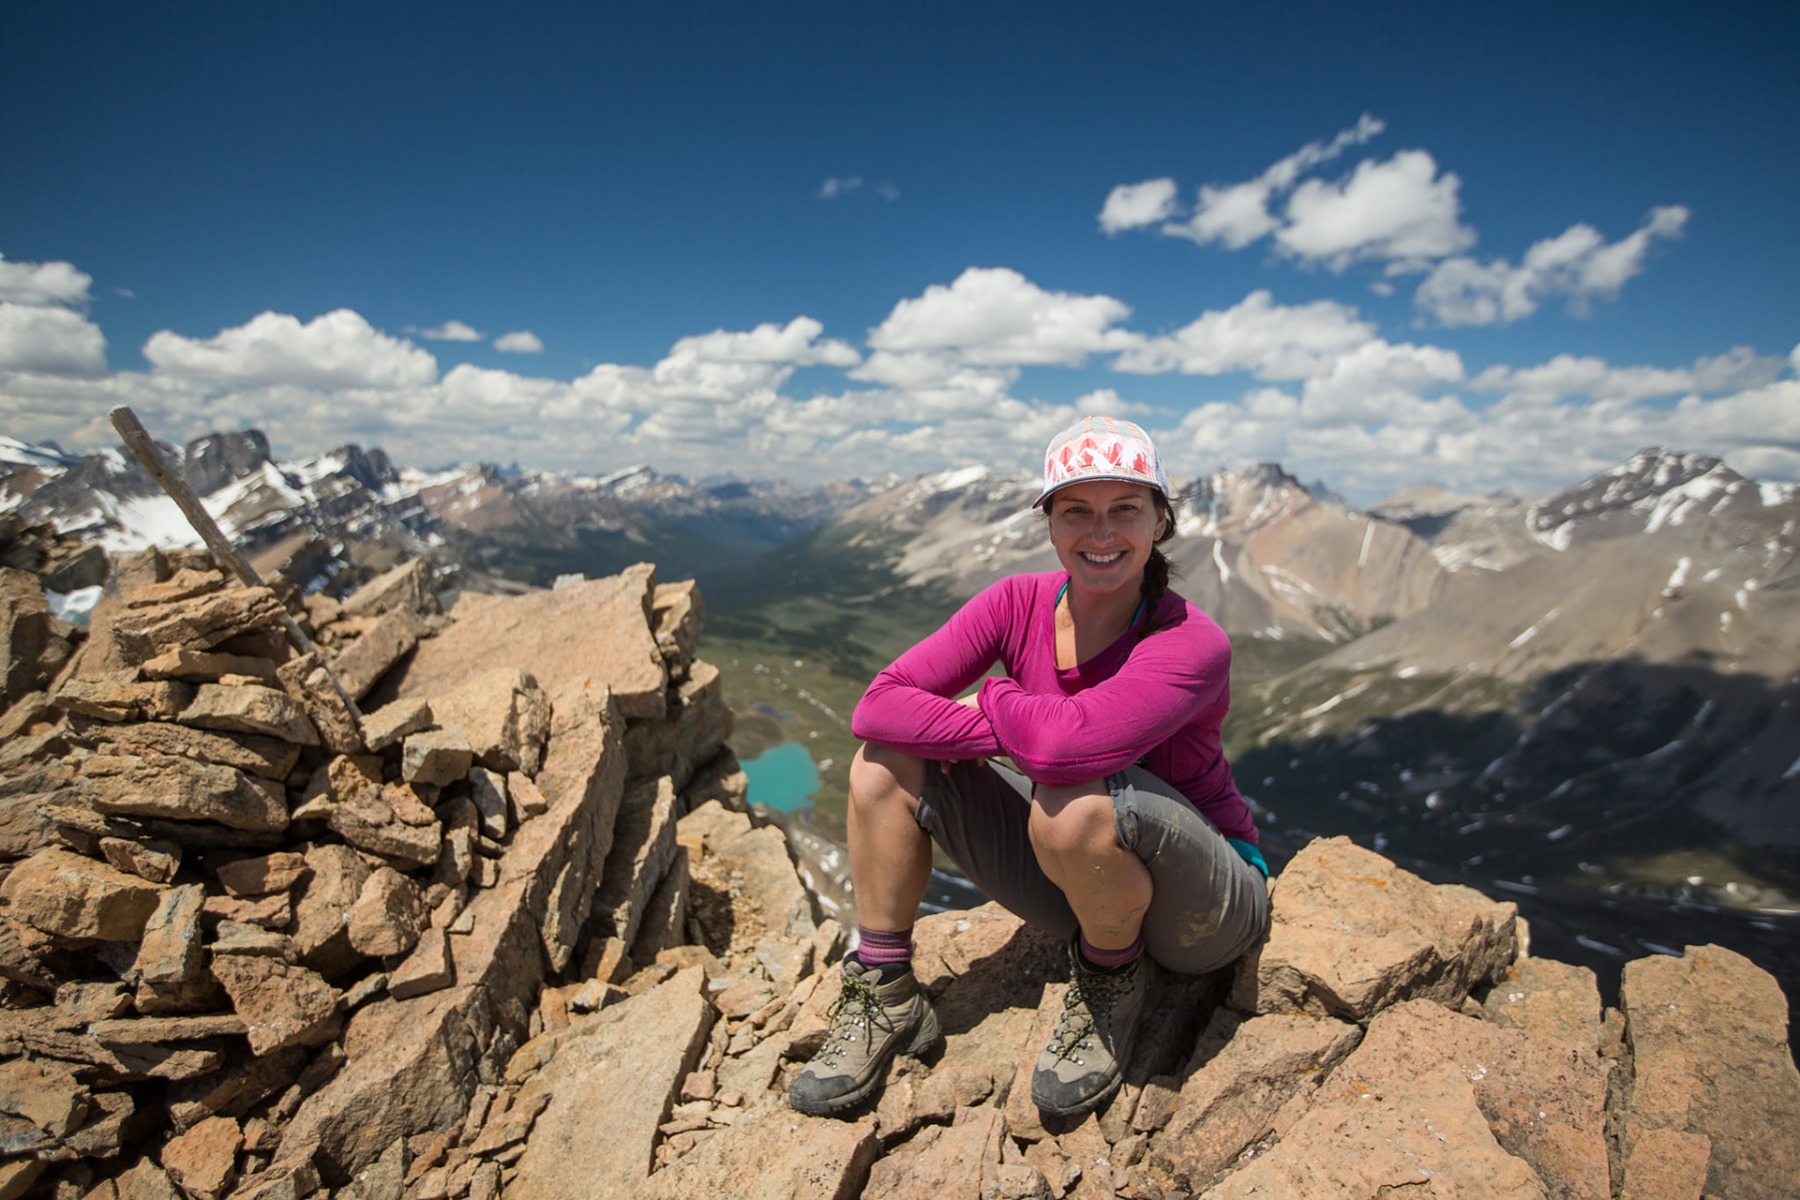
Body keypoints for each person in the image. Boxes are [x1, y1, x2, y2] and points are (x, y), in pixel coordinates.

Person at [788, 415, 1271, 1120]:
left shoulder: (1191, 640)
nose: (1101, 534)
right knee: (883, 764)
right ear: (1049, 522)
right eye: (1077, 511)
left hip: (1206, 908)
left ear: (1161, 521)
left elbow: (1060, 754)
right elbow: (878, 707)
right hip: (1086, 883)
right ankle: (885, 988)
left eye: (1125, 510)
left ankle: (1111, 987)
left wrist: (1000, 694)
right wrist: (1001, 724)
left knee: (1074, 799)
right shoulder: (1016, 602)